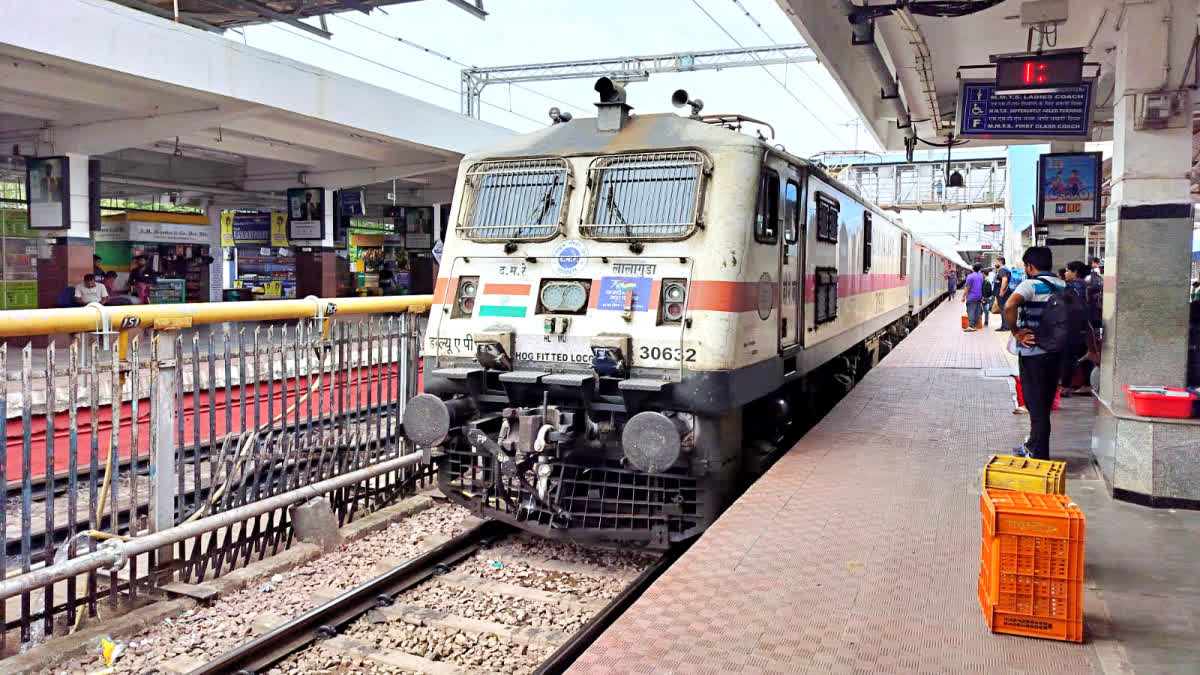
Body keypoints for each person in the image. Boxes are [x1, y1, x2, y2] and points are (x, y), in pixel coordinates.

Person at [1004, 247, 1066, 460]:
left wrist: (1016, 332)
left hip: (1033, 353)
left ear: (1030, 266)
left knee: (1034, 404)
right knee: (1045, 403)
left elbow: (1009, 305)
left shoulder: (1030, 284)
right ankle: (1033, 444)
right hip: (1056, 352)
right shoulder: (1062, 284)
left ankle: (1039, 454)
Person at [1061, 261, 1096, 396]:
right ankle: (1087, 384)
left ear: (1075, 272)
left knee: (1068, 357)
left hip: (1072, 327)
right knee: (1085, 356)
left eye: (1067, 270)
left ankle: (1065, 387)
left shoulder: (1071, 287)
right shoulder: (1089, 285)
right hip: (1087, 326)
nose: (1066, 273)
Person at [962, 263, 985, 332]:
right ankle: (975, 325)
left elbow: (967, 287)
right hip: (979, 296)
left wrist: (963, 296)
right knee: (977, 311)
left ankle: (971, 326)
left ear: (973, 268)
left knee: (971, 311)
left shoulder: (970, 276)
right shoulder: (981, 276)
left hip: (972, 296)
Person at [993, 257, 1012, 331]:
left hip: (1003, 293)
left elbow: (1004, 280)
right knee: (1003, 309)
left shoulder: (1002, 269)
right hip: (1005, 293)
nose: (996, 263)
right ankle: (1005, 326)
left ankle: (1005, 327)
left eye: (997, 261)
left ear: (1000, 262)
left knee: (1003, 309)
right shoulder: (1003, 269)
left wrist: (1001, 291)